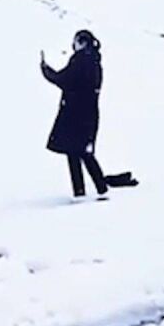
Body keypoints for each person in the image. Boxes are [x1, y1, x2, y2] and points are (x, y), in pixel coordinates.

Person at [42, 29, 111, 199]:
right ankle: (98, 188)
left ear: (81, 42)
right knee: (83, 151)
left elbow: (64, 80)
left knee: (75, 152)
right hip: (88, 113)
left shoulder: (80, 61)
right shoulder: (94, 61)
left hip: (75, 113)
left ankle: (82, 191)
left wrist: (46, 71)